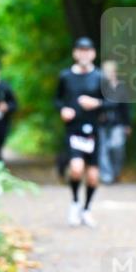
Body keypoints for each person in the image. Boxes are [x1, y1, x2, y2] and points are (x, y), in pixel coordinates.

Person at [56, 37, 106, 228]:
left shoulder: (100, 77)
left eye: (88, 50)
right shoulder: (66, 76)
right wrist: (62, 110)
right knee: (76, 168)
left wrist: (97, 103)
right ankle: (75, 202)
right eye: (80, 50)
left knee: (93, 176)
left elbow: (114, 103)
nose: (84, 54)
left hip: (94, 131)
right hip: (73, 130)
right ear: (75, 53)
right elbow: (57, 100)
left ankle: (87, 209)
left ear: (93, 53)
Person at [98, 60, 132, 184]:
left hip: (118, 124)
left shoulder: (121, 87)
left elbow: (126, 107)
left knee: (117, 148)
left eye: (110, 71)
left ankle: (116, 172)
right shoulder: (99, 87)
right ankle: (107, 176)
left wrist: (127, 124)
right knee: (102, 150)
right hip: (102, 124)